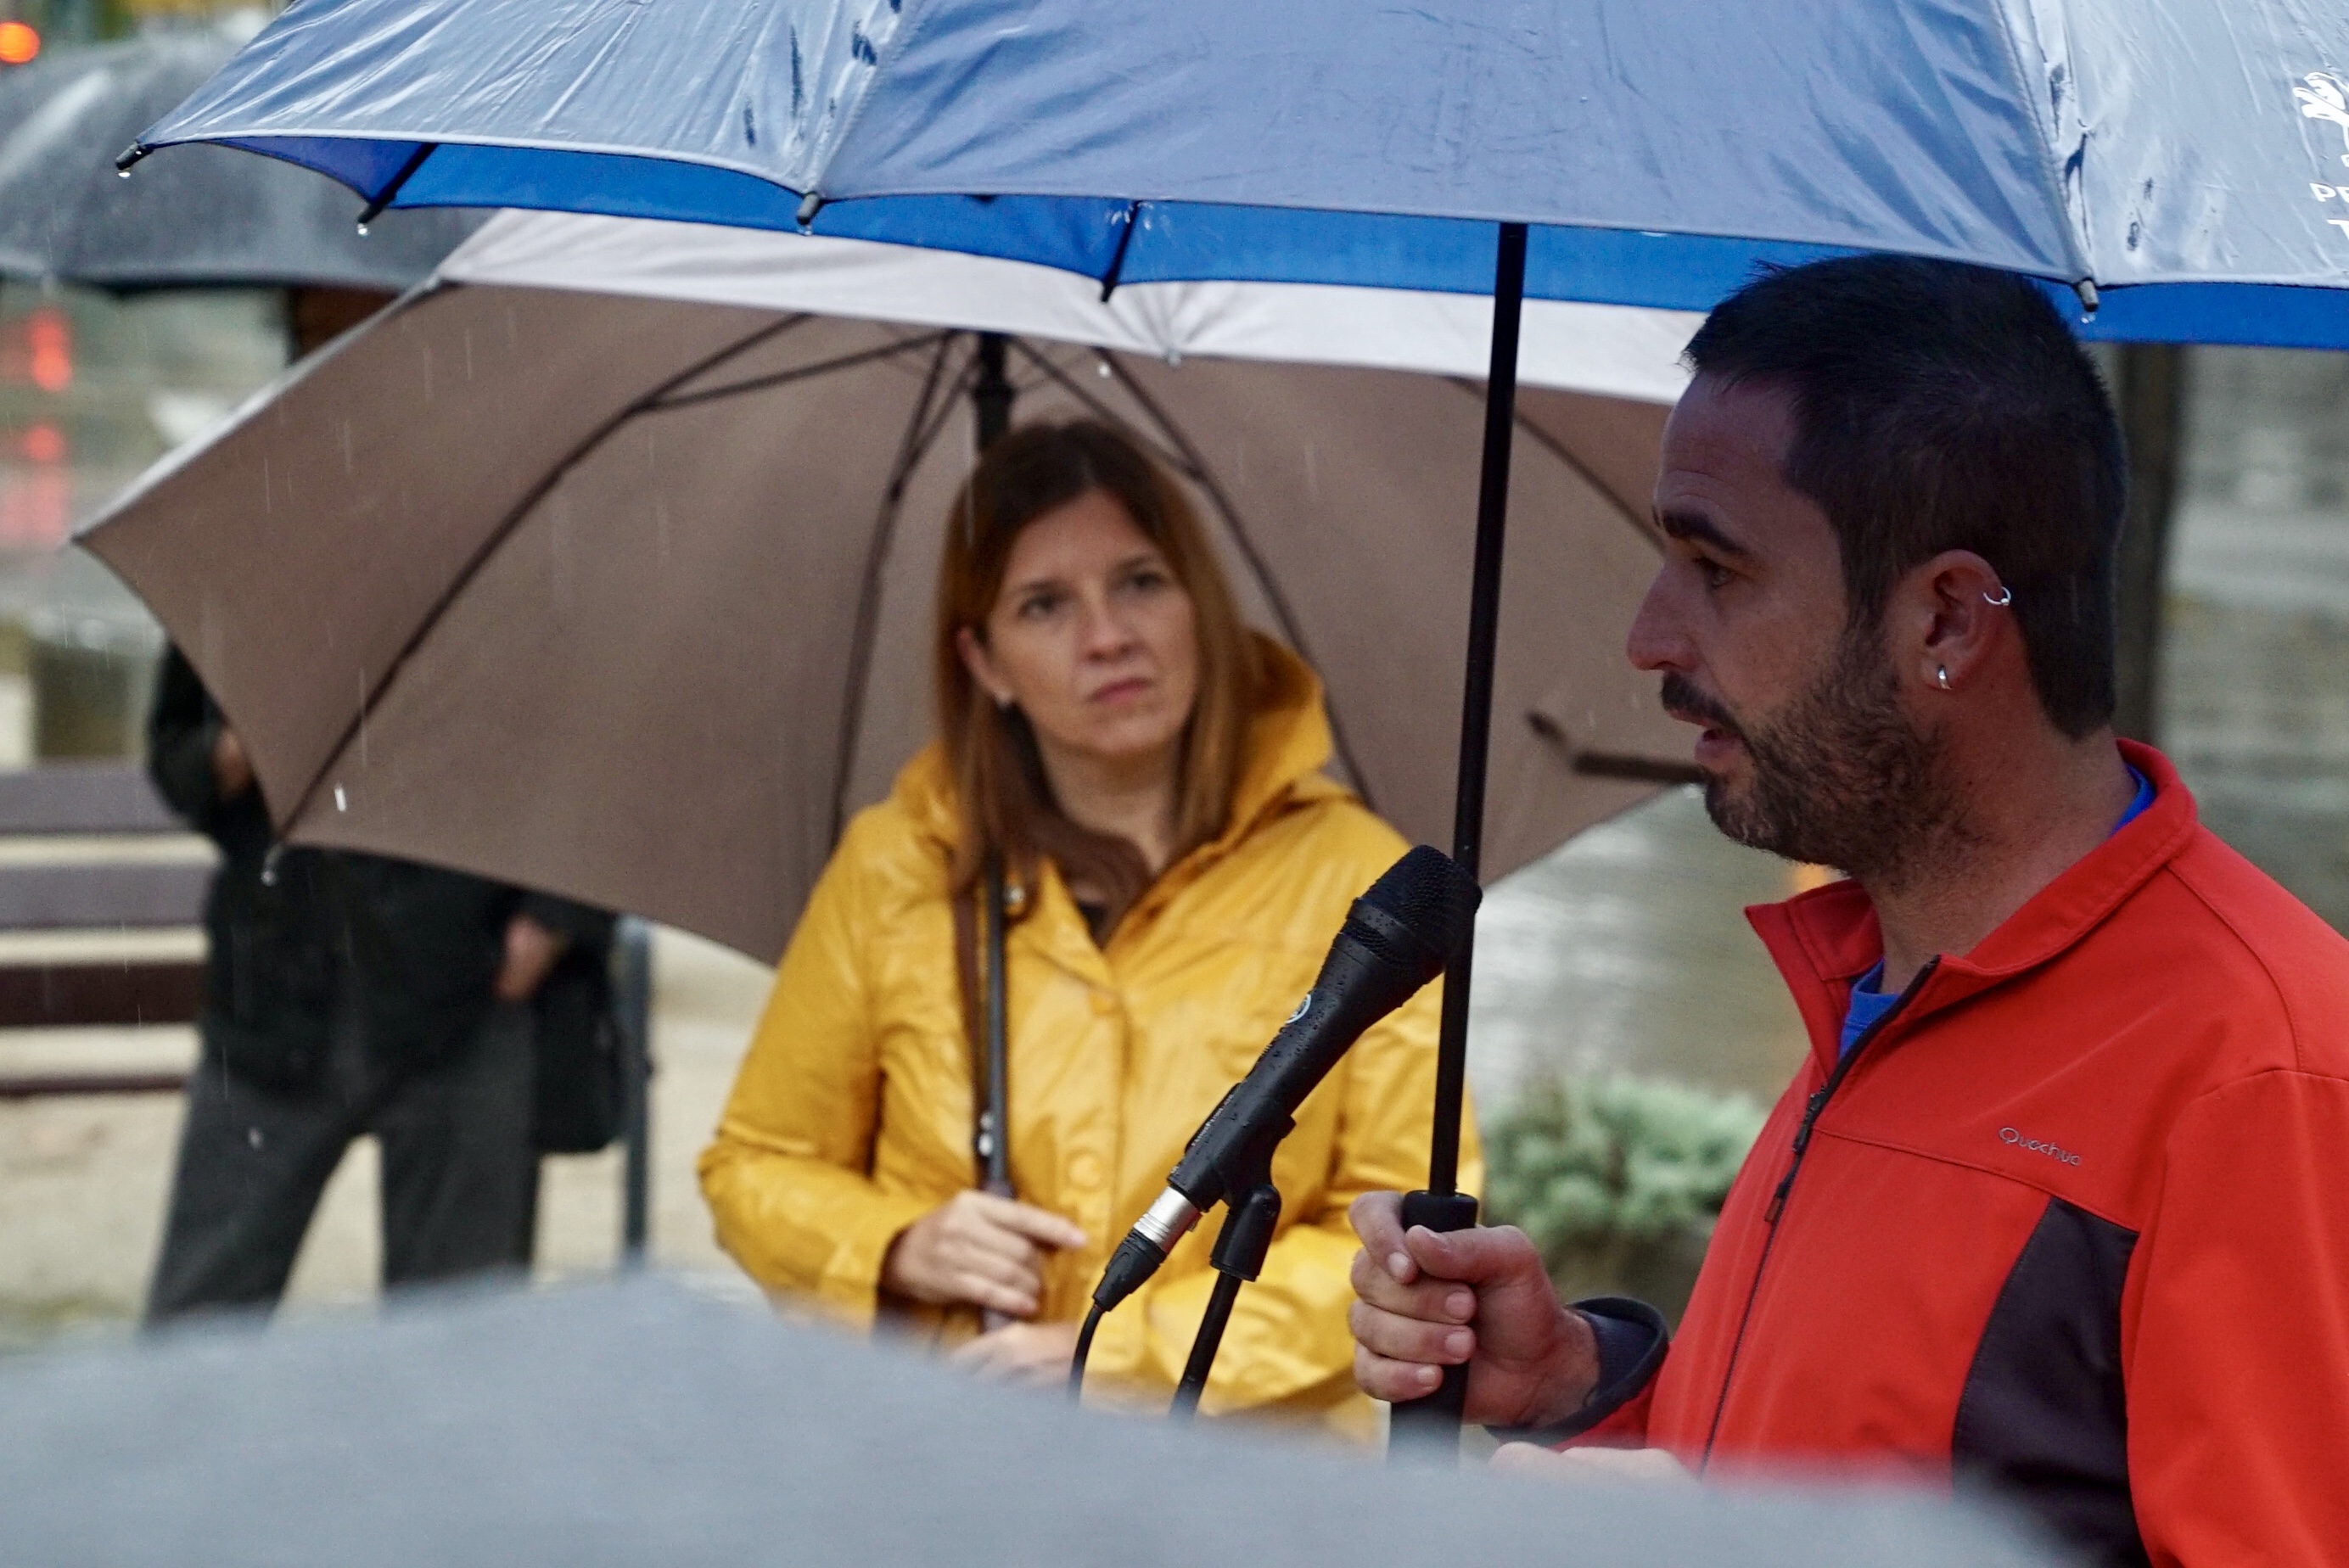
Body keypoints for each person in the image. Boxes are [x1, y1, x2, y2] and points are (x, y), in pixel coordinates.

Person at [1348, 258, 2349, 1560]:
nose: (1651, 636)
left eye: (1717, 568)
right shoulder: (1873, 984)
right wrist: (1577, 1386)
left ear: (1946, 620)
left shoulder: (2266, 1075)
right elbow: (1864, 1464)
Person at [699, 421, 1471, 1435]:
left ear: (1199, 604)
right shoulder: (897, 867)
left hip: (1234, 1490)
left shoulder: (1356, 886)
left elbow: (1400, 1243)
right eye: (1043, 604)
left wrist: (1120, 1357)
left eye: (1140, 582)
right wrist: (893, 1244)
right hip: (946, 1464)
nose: (1106, 636)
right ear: (984, 662)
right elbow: (754, 1165)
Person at [144, 645, 616, 1317]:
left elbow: (609, 746)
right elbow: (176, 758)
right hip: (276, 991)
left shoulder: (540, 597)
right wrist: (238, 749)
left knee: (460, 1335)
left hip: (468, 988)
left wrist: (556, 918)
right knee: (198, 1327)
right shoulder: (245, 587)